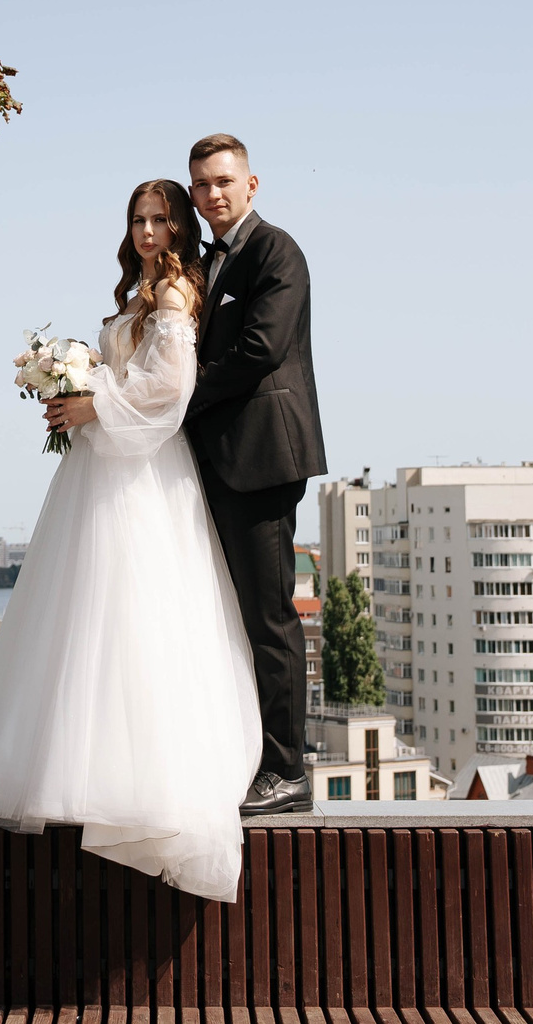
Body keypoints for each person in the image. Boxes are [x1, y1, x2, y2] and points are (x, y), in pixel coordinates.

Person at [0, 179, 262, 899]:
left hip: (142, 474)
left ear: (179, 227)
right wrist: (76, 390)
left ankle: (141, 789)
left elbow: (168, 395)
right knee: (84, 616)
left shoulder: (175, 295)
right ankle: (74, 772)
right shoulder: (142, 290)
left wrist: (92, 401)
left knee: (139, 615)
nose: (148, 232)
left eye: (160, 220)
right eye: (138, 220)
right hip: (99, 470)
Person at [179, 133, 327, 816]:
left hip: (263, 462)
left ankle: (288, 771)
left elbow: (260, 350)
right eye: (202, 184)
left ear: (251, 185)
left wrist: (172, 394)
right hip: (214, 464)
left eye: (224, 181)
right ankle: (246, 757)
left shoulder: (277, 251)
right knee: (229, 621)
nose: (213, 194)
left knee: (269, 620)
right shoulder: (206, 262)